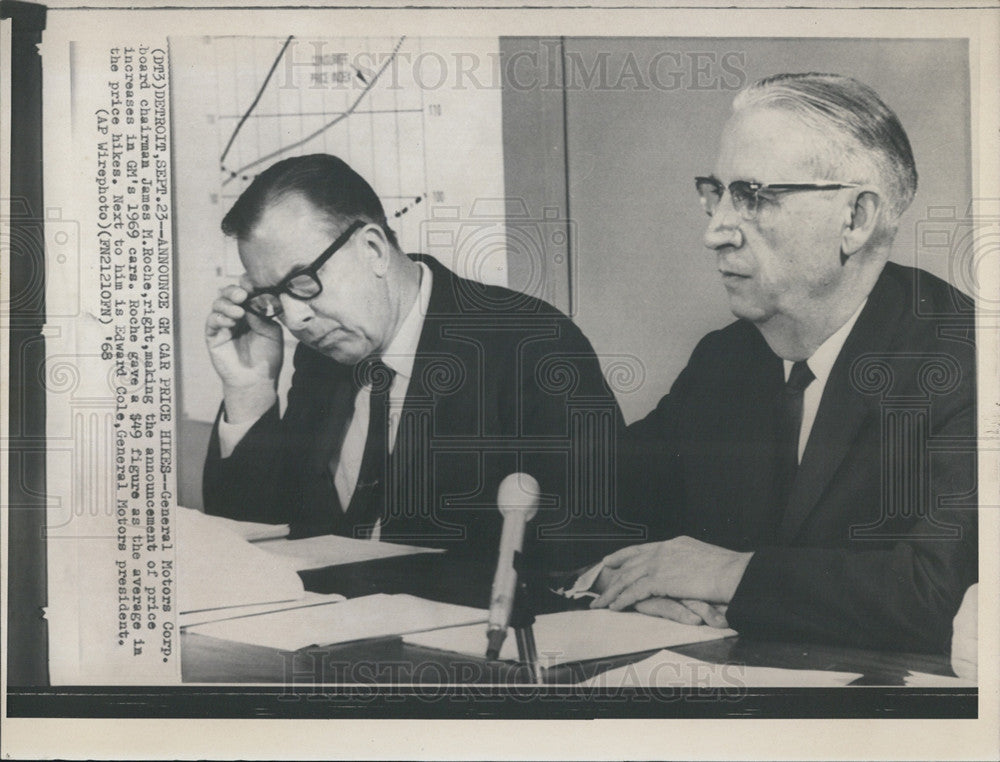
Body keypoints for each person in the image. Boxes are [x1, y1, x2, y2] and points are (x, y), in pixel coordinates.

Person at [590, 73, 977, 654]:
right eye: (715, 193)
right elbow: (602, 503)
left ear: (855, 219)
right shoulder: (726, 359)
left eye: (752, 196)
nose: (715, 230)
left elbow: (936, 596)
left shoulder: (968, 360)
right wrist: (632, 580)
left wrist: (726, 576)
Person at [202, 154, 632, 570]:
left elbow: (587, 551)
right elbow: (256, 550)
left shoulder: (531, 346)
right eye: (272, 298)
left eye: (302, 283)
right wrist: (250, 391)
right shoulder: (322, 360)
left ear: (373, 248)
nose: (295, 318)